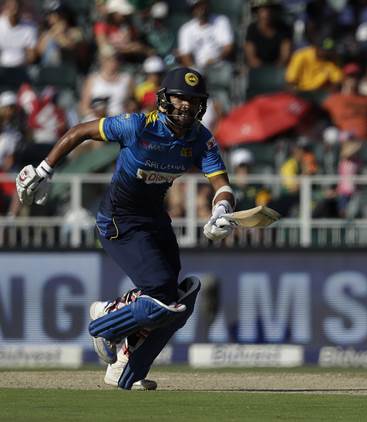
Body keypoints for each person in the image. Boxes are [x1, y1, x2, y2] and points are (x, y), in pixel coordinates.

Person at [15, 67, 236, 390]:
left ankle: (122, 365)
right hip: (119, 218)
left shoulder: (200, 138)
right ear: (165, 98)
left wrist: (221, 210)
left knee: (174, 302)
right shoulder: (137, 125)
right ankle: (107, 315)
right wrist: (44, 170)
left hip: (155, 218)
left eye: (194, 100)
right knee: (159, 293)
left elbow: (222, 185)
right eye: (181, 98)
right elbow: (79, 131)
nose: (187, 105)